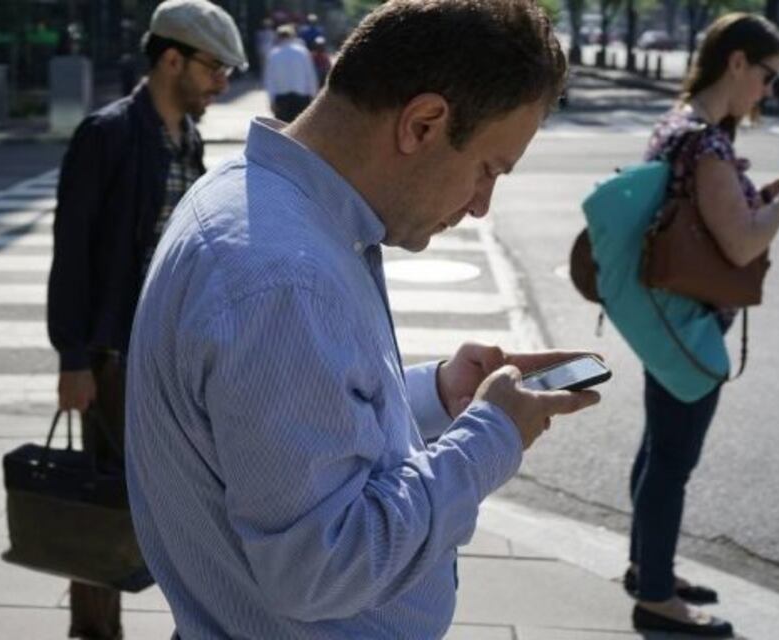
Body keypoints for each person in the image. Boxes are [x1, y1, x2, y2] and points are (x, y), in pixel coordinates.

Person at [126, 1, 598, 638]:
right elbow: (323, 569)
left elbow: (281, 434)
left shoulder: (259, 199)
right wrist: (491, 437)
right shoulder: (283, 277)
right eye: (489, 168)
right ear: (423, 123)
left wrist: (433, 398)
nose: (482, 205)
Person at [624, 13, 779, 638]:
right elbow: (741, 246)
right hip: (691, 324)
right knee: (672, 460)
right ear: (737, 62)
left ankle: (647, 568)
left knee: (657, 448)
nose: (768, 91)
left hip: (665, 313)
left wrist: (765, 193)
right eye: (767, 75)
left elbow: (705, 215)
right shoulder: (706, 143)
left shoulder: (678, 125)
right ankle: (657, 597)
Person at [46, 1, 246, 637]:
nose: (223, 83)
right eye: (216, 68)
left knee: (187, 509)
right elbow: (72, 252)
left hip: (174, 357)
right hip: (114, 360)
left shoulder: (186, 138)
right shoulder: (106, 136)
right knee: (102, 511)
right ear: (171, 59)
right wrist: (73, 359)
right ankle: (95, 632)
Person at [265, 23, 320, 122]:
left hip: (281, 97)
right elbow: (310, 75)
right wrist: (313, 94)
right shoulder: (302, 52)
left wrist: (271, 100)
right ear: (293, 36)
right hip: (301, 96)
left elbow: (270, 80)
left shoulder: (273, 54)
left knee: (283, 131)